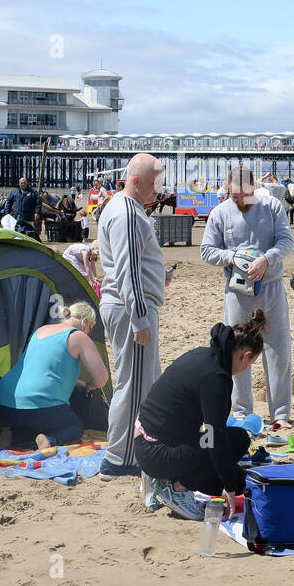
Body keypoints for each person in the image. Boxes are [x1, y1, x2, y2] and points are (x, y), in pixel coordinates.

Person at [134, 311, 267, 520]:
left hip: (147, 440)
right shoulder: (216, 378)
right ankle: (177, 487)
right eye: (249, 364)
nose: (245, 368)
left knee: (238, 443)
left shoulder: (204, 355)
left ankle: (165, 478)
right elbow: (216, 437)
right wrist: (230, 486)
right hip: (156, 452)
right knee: (237, 476)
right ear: (246, 355)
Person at [200, 165, 294, 428]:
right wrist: (232, 257)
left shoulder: (272, 206)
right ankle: (241, 412)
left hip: (272, 286)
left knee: (278, 350)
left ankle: (280, 415)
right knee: (235, 349)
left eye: (243, 195)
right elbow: (206, 250)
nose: (238, 200)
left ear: (254, 187)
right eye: (233, 195)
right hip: (237, 291)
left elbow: (286, 241)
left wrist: (266, 259)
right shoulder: (220, 212)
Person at [97, 153, 172, 480]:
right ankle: (119, 459)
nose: (160, 190)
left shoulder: (121, 207)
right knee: (134, 385)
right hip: (131, 310)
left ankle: (128, 452)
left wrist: (159, 276)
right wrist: (140, 319)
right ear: (137, 181)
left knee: (140, 381)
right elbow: (126, 271)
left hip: (128, 305)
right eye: (155, 183)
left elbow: (129, 266)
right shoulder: (127, 212)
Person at [0, 302, 110, 453]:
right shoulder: (78, 336)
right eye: (91, 328)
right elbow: (102, 379)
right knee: (74, 427)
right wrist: (91, 385)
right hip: (37, 406)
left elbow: (38, 372)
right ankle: (49, 440)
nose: (90, 333)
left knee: (30, 421)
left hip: (3, 402)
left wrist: (78, 383)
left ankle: (8, 433)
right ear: (86, 322)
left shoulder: (41, 330)